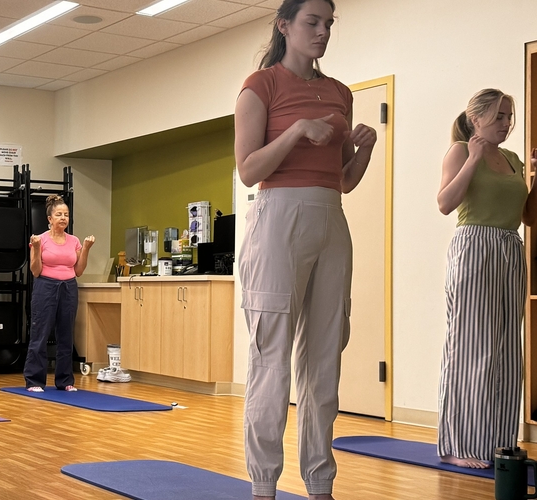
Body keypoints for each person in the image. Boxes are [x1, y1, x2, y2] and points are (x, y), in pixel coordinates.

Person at [232, 1, 377, 498]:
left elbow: (342, 181)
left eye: (328, 24)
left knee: (324, 357)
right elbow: (249, 170)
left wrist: (364, 150)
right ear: (284, 25)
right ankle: (264, 486)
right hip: (279, 218)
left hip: (329, 219)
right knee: (271, 359)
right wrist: (295, 131)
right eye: (312, 22)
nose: (322, 32)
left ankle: (320, 484)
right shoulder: (261, 85)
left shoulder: (338, 93)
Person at [434, 88, 537, 468]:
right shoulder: (459, 150)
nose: (506, 123)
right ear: (476, 119)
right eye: (499, 116)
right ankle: (458, 446)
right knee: (471, 350)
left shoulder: (514, 159)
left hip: (508, 249)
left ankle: (498, 442)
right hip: (474, 248)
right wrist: (473, 157)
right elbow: (445, 203)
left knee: (504, 352)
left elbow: (530, 217)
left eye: (508, 116)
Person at [24, 195, 95, 392]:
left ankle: (65, 381)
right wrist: (37, 248)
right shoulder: (40, 239)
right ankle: (34, 380)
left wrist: (87, 249)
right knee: (41, 332)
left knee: (66, 334)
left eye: (66, 215)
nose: (63, 218)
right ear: (50, 219)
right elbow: (35, 271)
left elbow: (79, 270)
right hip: (45, 286)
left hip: (69, 287)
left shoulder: (74, 241)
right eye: (59, 214)